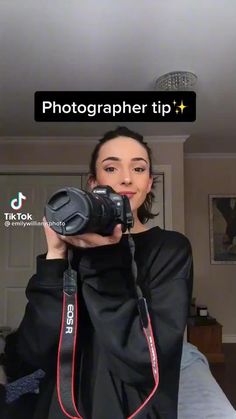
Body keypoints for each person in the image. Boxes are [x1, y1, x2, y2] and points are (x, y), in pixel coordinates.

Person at [5, 126, 193, 419]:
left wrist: (103, 256)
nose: (126, 178)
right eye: (111, 167)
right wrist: (55, 257)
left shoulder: (170, 248)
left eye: (139, 168)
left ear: (150, 182)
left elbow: (144, 358)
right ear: (94, 183)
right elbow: (33, 353)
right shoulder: (71, 251)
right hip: (65, 407)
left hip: (138, 408)